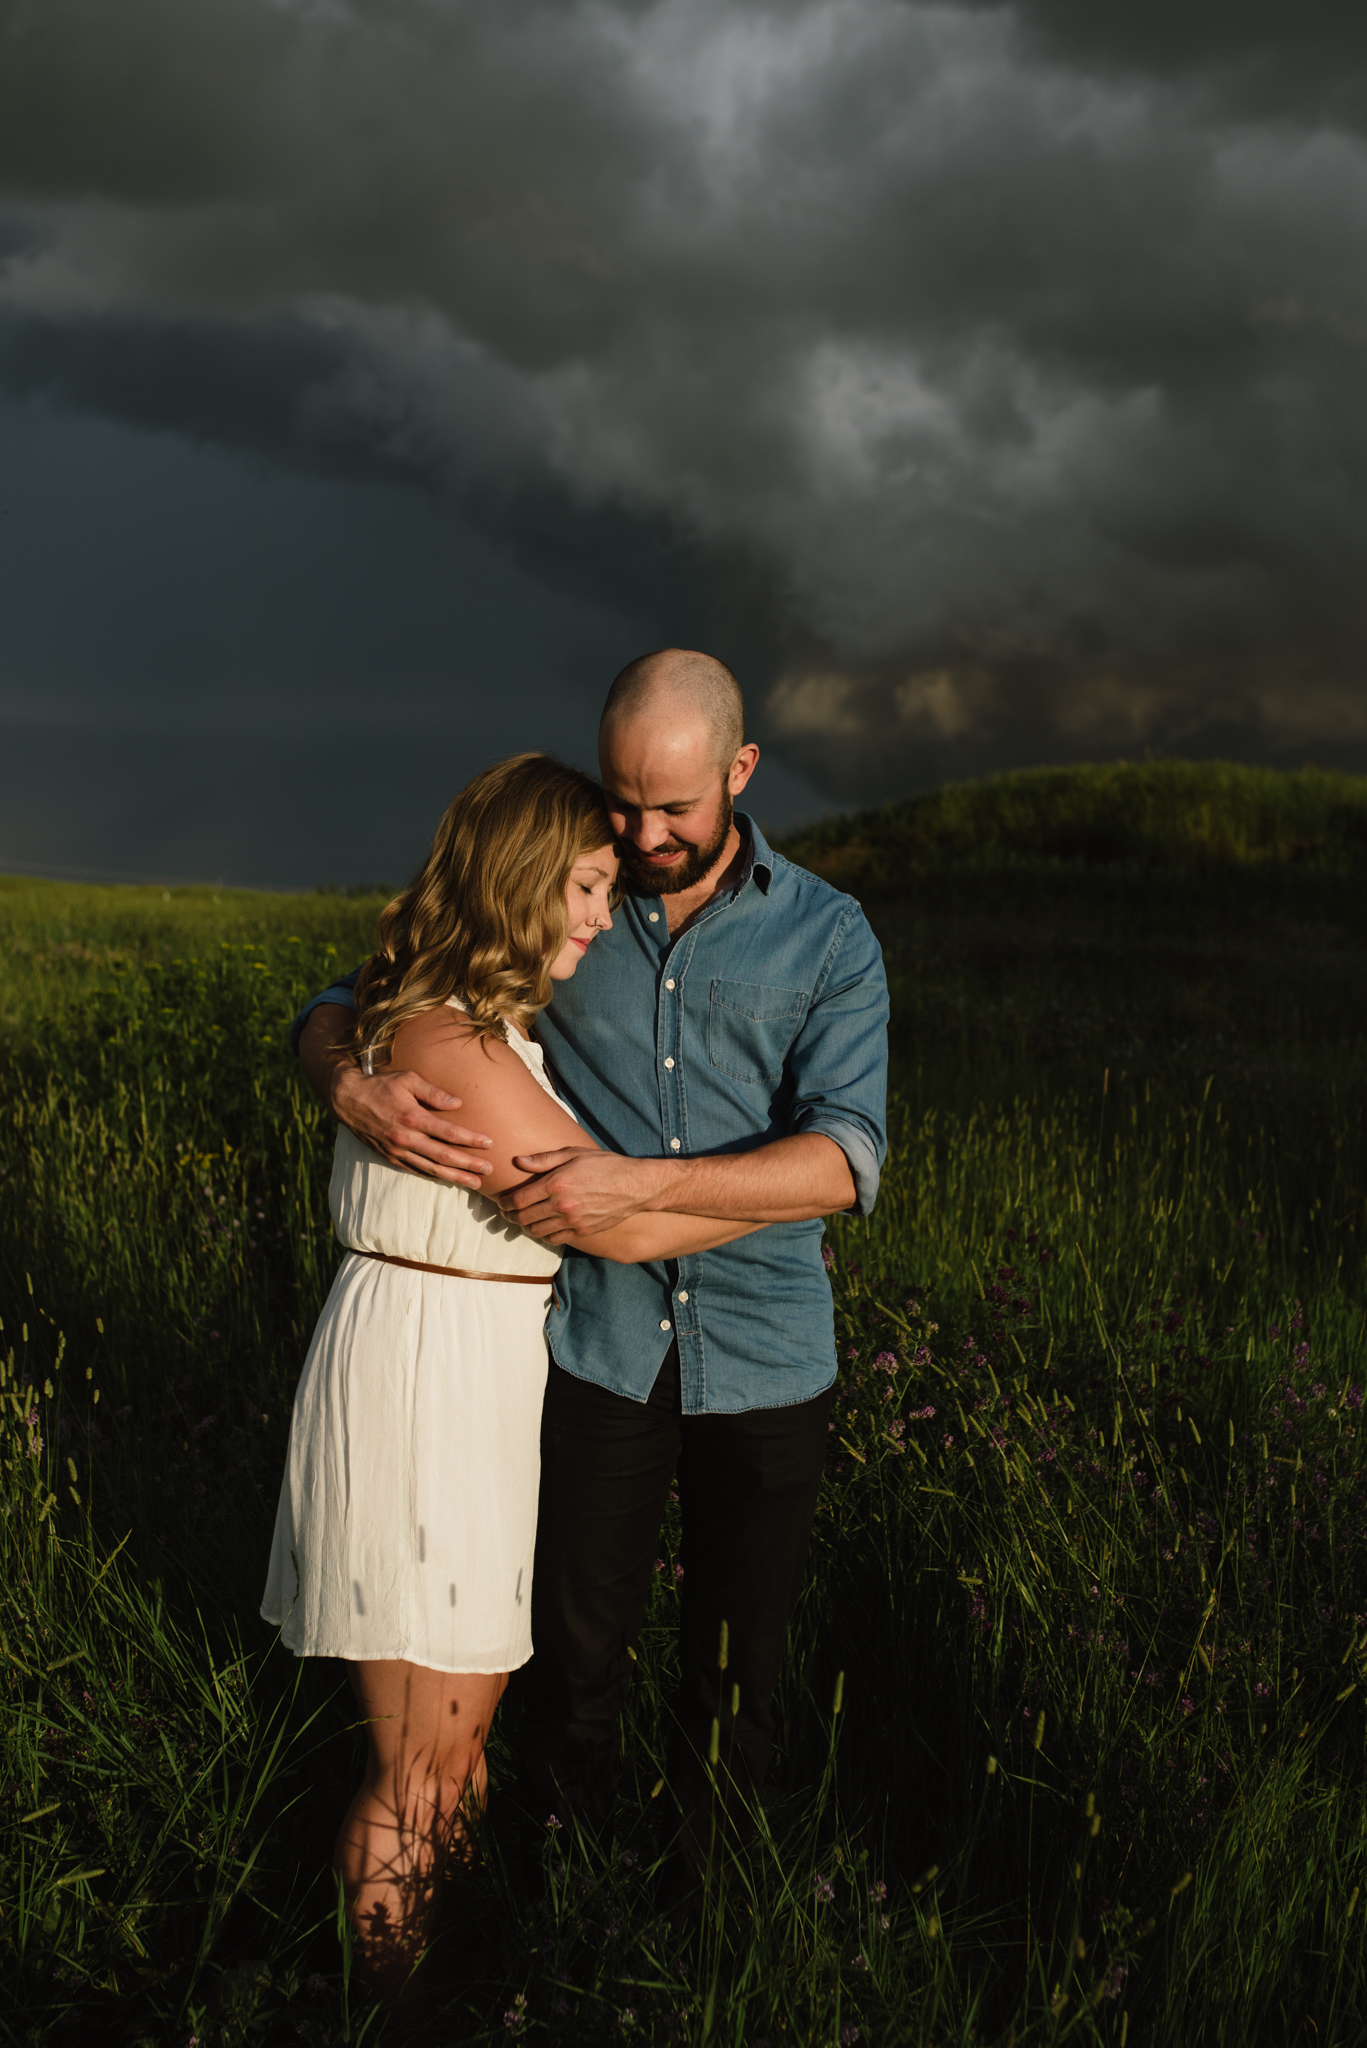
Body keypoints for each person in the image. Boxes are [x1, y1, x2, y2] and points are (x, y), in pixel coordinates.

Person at [293, 648, 889, 1890]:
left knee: (738, 1681)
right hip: (593, 1348)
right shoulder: (566, 896)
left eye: (672, 805)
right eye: (622, 805)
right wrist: (344, 1076)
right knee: (568, 1665)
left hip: (767, 1350)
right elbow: (365, 993)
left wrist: (646, 1187)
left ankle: (705, 1935)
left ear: (740, 770)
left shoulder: (826, 930)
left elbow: (844, 1158)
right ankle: (564, 1909)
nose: (642, 832)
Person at [263, 751, 761, 1988]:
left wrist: (325, 1052)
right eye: (584, 885)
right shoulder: (443, 1033)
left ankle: (440, 1973)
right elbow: (619, 1221)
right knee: (422, 1768)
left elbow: (334, 1008)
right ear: (522, 879)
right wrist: (790, 1189)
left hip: (458, 1374)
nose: (601, 913)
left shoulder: (443, 1014)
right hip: (427, 1383)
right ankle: (393, 2008)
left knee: (454, 1753)